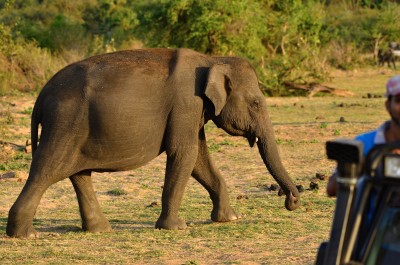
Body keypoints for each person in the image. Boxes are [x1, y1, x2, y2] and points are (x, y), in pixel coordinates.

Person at [327, 75, 400, 196]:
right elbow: (332, 189)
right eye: (399, 100)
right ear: (388, 105)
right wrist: (360, 165)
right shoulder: (364, 144)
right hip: (373, 215)